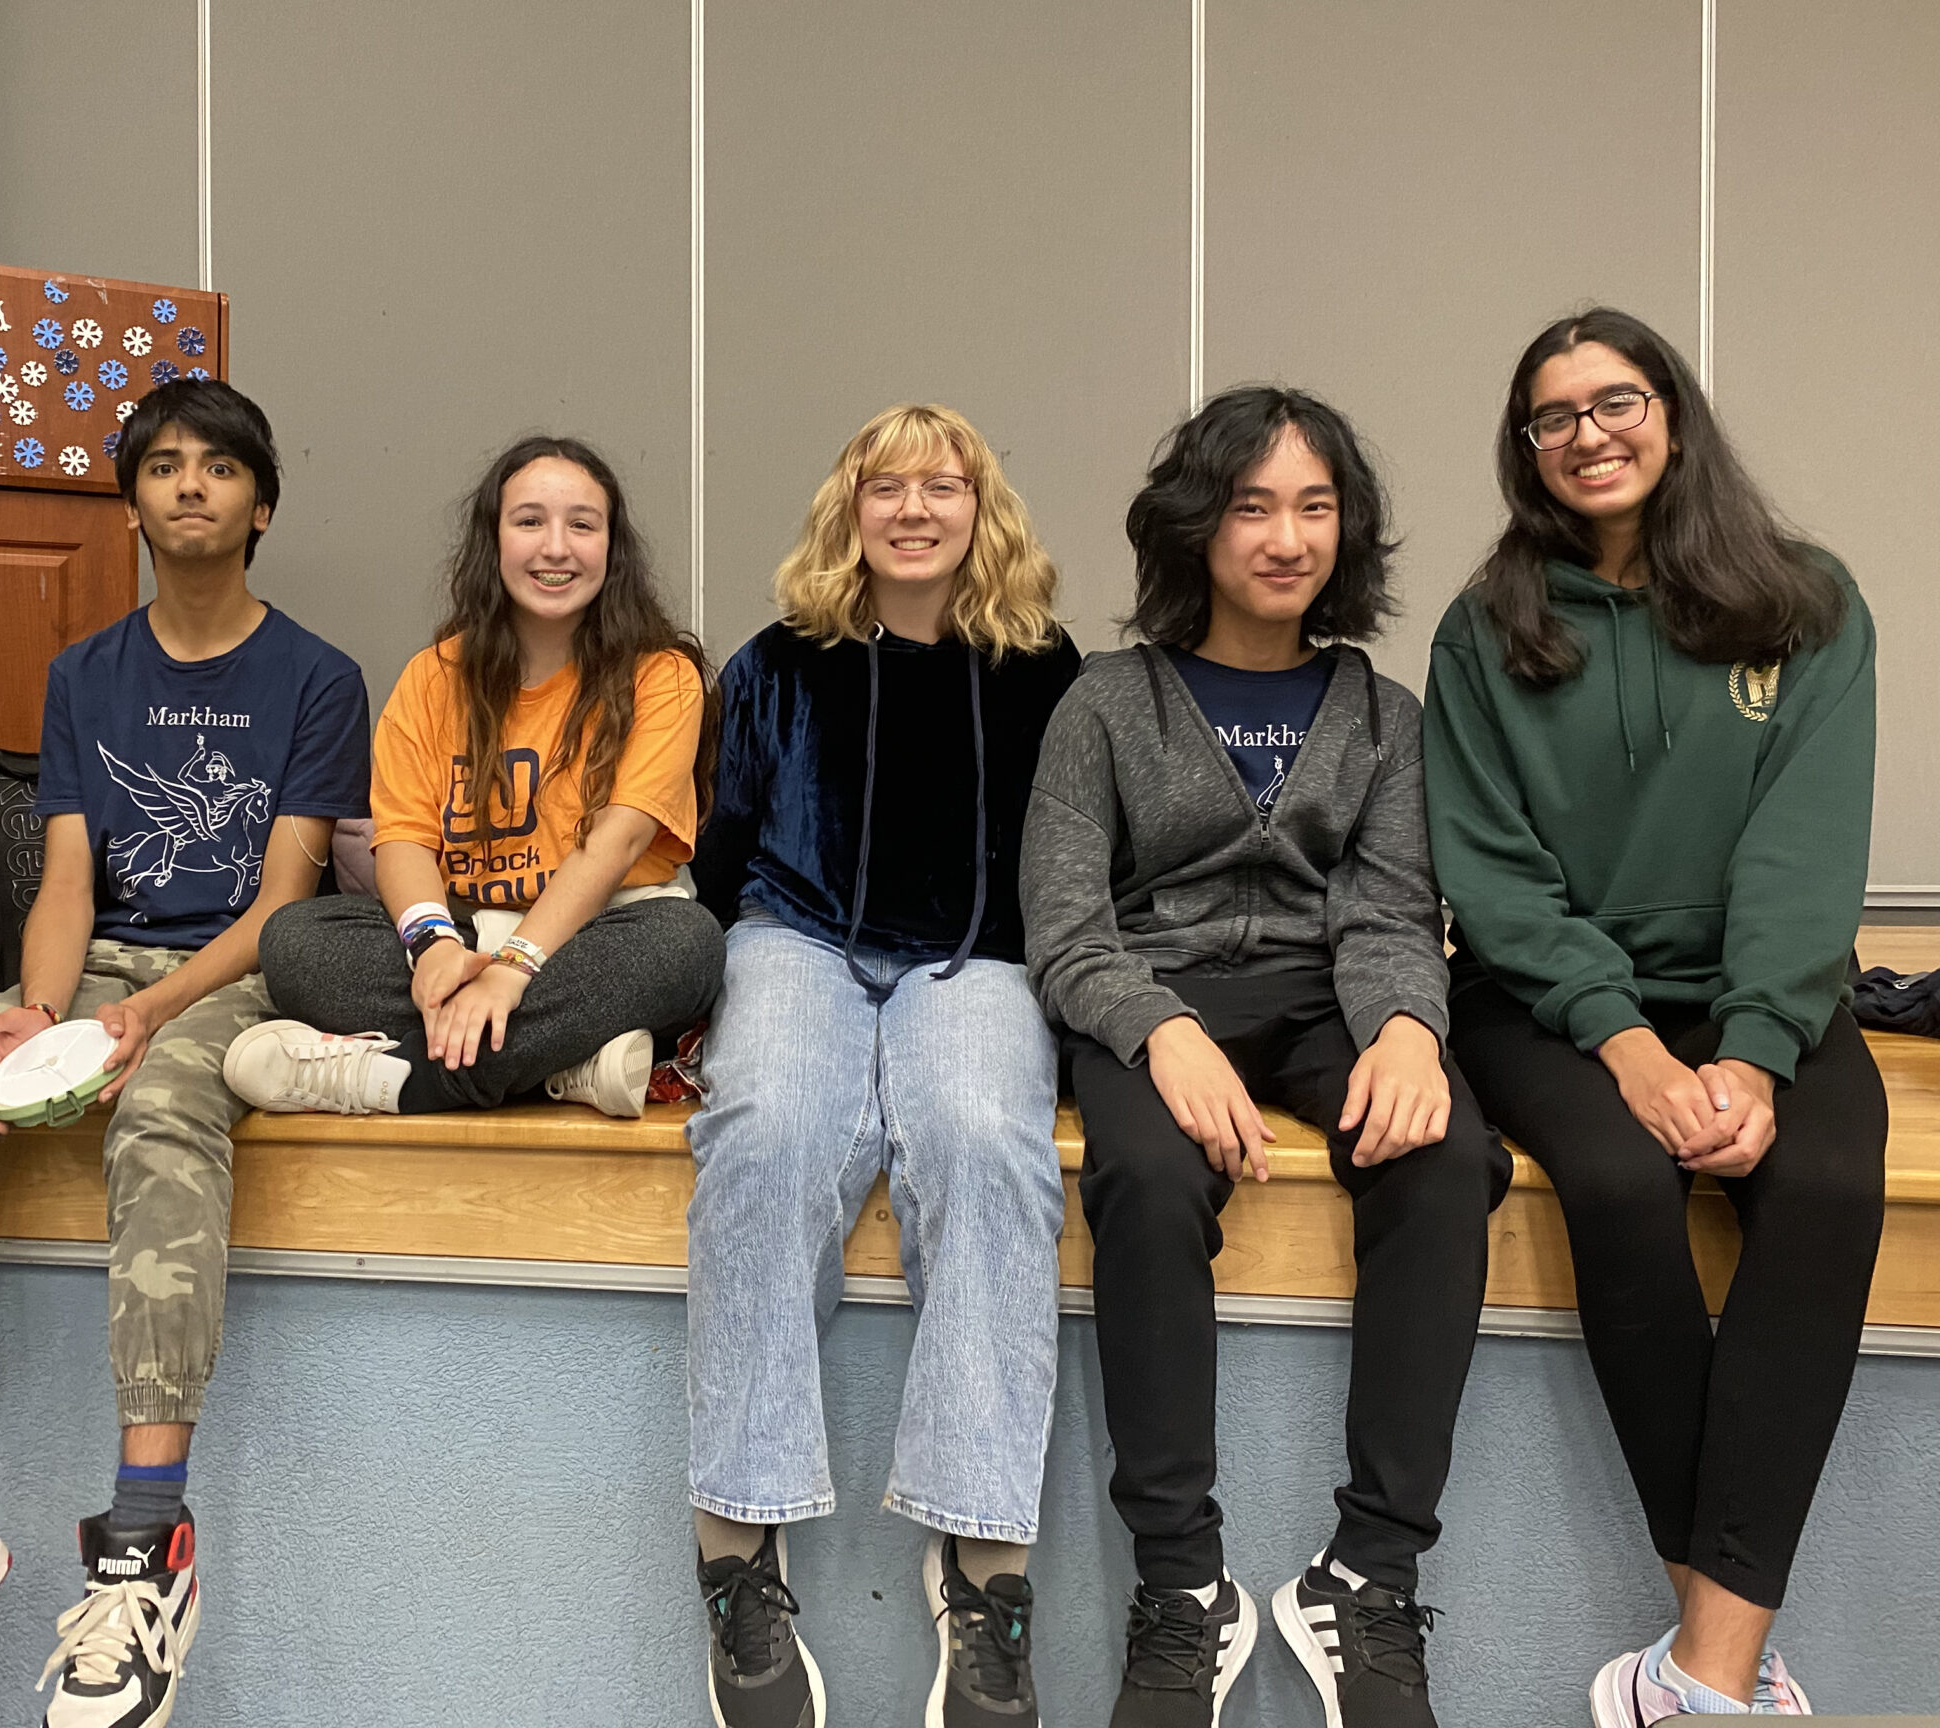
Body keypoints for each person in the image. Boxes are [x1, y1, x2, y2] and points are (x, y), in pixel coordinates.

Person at [0, 380, 371, 1728]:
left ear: (261, 504)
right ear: (130, 503)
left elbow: (283, 901)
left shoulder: (317, 677)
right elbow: (65, 878)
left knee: (163, 1117)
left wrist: (144, 1019)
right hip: (94, 969)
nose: (191, 485)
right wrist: (37, 1013)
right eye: (165, 466)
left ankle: (146, 1542)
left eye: (220, 467)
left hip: (237, 978)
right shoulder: (86, 673)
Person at [1023, 387, 1508, 1728]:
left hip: (1324, 995)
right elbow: (1064, 928)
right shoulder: (1104, 704)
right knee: (1145, 1175)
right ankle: (1183, 1587)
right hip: (1150, 990)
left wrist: (1409, 1030)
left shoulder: (1383, 713)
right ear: (1197, 525)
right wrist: (1160, 1031)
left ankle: (1369, 1575)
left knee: (1445, 1157)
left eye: (1314, 506)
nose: (1286, 537)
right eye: (1252, 506)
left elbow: (1393, 913)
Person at [1423, 309, 1883, 1723]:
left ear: (1671, 413)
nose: (1588, 435)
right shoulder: (1484, 630)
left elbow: (1802, 852)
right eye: (1552, 417)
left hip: (1759, 993)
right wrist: (1625, 1046)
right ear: (1526, 450)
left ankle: (1696, 1679)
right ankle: (1718, 1672)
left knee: (1827, 1188)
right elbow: (1492, 875)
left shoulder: (1806, 602)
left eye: (1615, 401)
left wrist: (1750, 1054)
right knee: (1622, 1183)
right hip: (1545, 1002)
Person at [686, 404, 1079, 1728]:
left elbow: (1067, 857)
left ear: (982, 507)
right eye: (886, 487)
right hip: (796, 937)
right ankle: (736, 1541)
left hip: (975, 957)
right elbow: (724, 839)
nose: (914, 510)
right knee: (765, 1132)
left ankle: (984, 1567)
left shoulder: (1044, 669)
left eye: (942, 486)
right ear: (847, 510)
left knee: (986, 1145)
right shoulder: (773, 664)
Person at [237, 435, 724, 1119]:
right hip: (466, 933)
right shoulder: (432, 676)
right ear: (492, 540)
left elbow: (617, 843)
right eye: (529, 521)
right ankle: (566, 1062)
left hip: (602, 934)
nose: (556, 547)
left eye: (583, 525)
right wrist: (432, 947)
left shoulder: (663, 676)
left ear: (612, 549)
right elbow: (403, 840)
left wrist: (515, 970)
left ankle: (394, 1082)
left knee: (688, 945)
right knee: (295, 942)